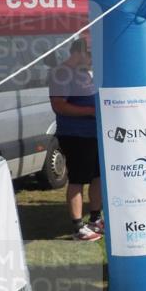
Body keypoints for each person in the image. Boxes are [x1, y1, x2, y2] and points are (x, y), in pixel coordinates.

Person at [49, 38, 103, 241]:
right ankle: (78, 226)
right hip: (75, 135)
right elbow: (59, 105)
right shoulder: (61, 73)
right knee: (78, 179)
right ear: (80, 52)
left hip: (93, 134)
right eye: (90, 56)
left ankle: (95, 219)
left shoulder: (82, 73)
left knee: (97, 176)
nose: (91, 61)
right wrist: (90, 111)